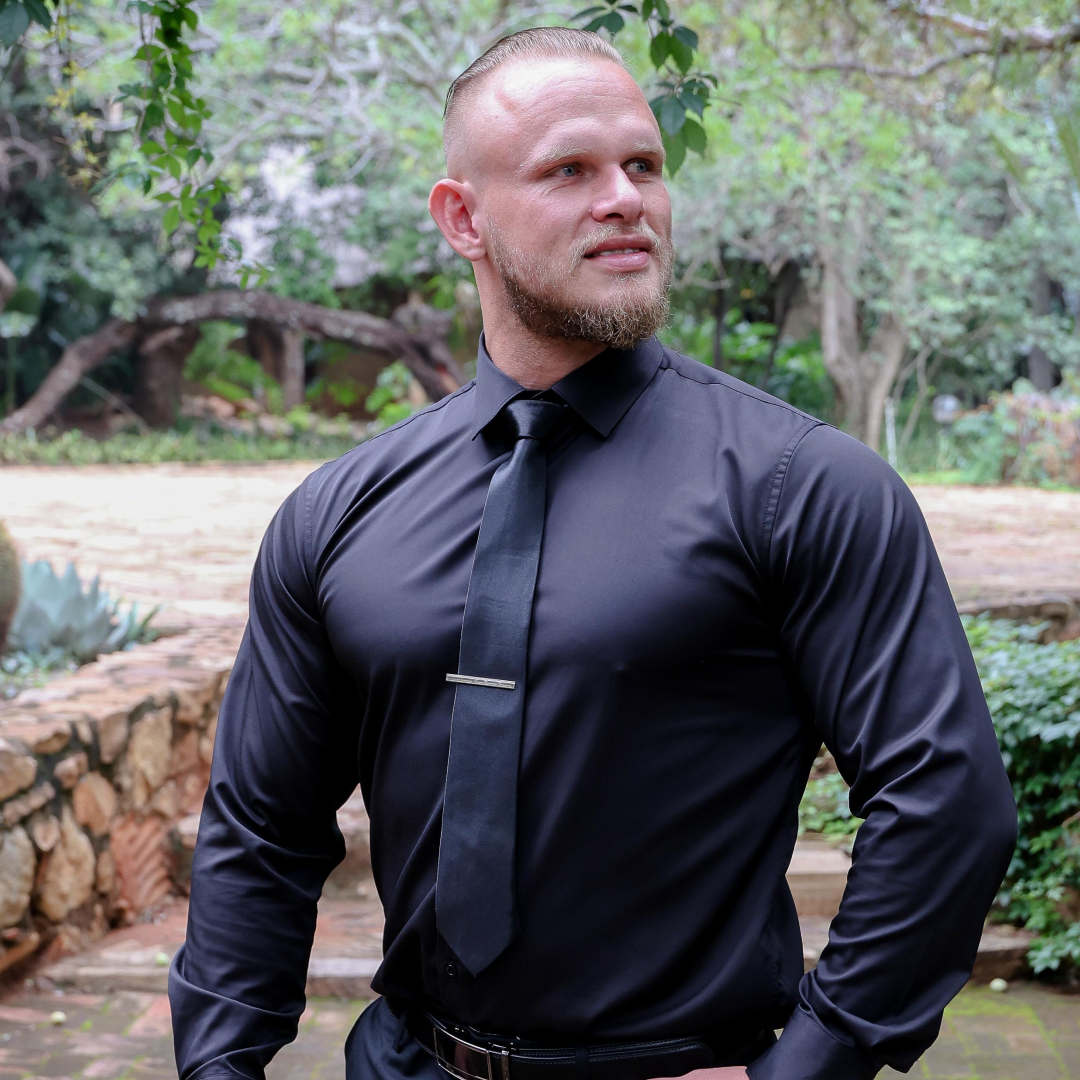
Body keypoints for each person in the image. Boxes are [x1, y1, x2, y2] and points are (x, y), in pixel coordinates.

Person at [169, 26, 1018, 1080]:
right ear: (461, 218)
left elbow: (946, 804)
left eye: (645, 166)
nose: (626, 197)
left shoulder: (802, 486)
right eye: (569, 169)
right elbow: (261, 832)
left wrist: (815, 1062)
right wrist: (218, 1067)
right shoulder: (338, 512)